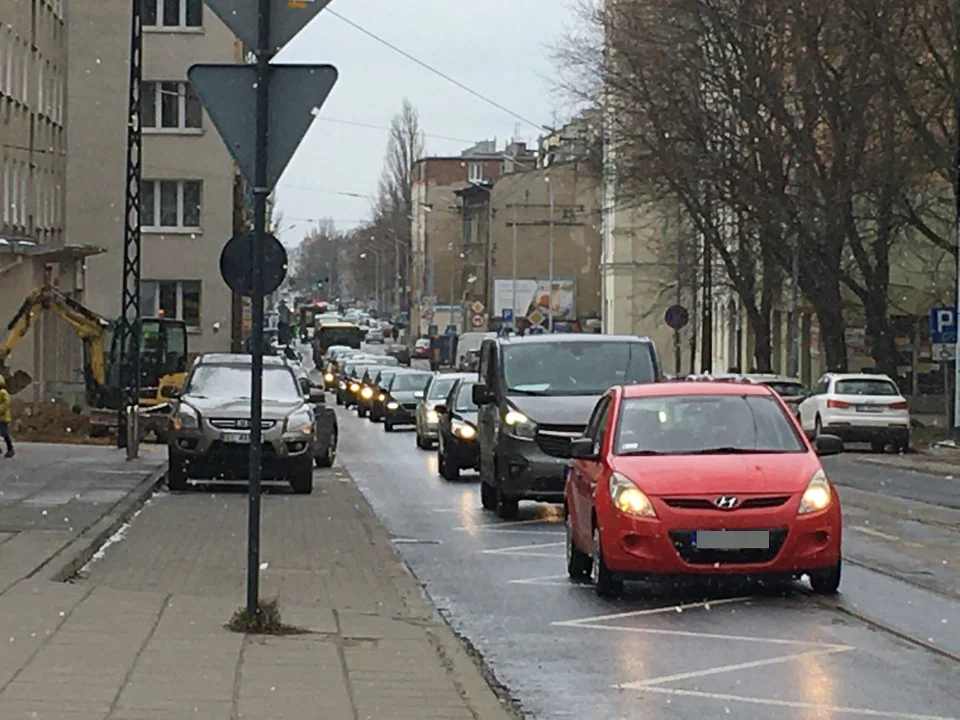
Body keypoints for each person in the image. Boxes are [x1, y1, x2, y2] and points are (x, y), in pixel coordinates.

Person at [0, 376, 14, 457]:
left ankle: (10, 449)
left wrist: (0, 409)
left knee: (4, 433)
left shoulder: (3, 392)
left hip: (3, 417)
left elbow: (6, 402)